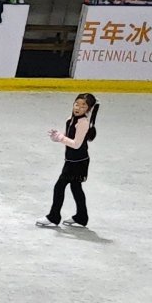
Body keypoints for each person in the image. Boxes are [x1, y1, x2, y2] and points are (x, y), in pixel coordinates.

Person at [43, 92, 99, 227]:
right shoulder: (70, 119)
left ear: (89, 109)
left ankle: (53, 217)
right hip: (72, 160)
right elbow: (68, 138)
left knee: (59, 186)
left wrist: (60, 138)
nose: (78, 108)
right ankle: (81, 217)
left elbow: (76, 144)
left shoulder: (83, 123)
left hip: (78, 162)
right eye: (76, 104)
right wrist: (58, 136)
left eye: (83, 106)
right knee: (76, 188)